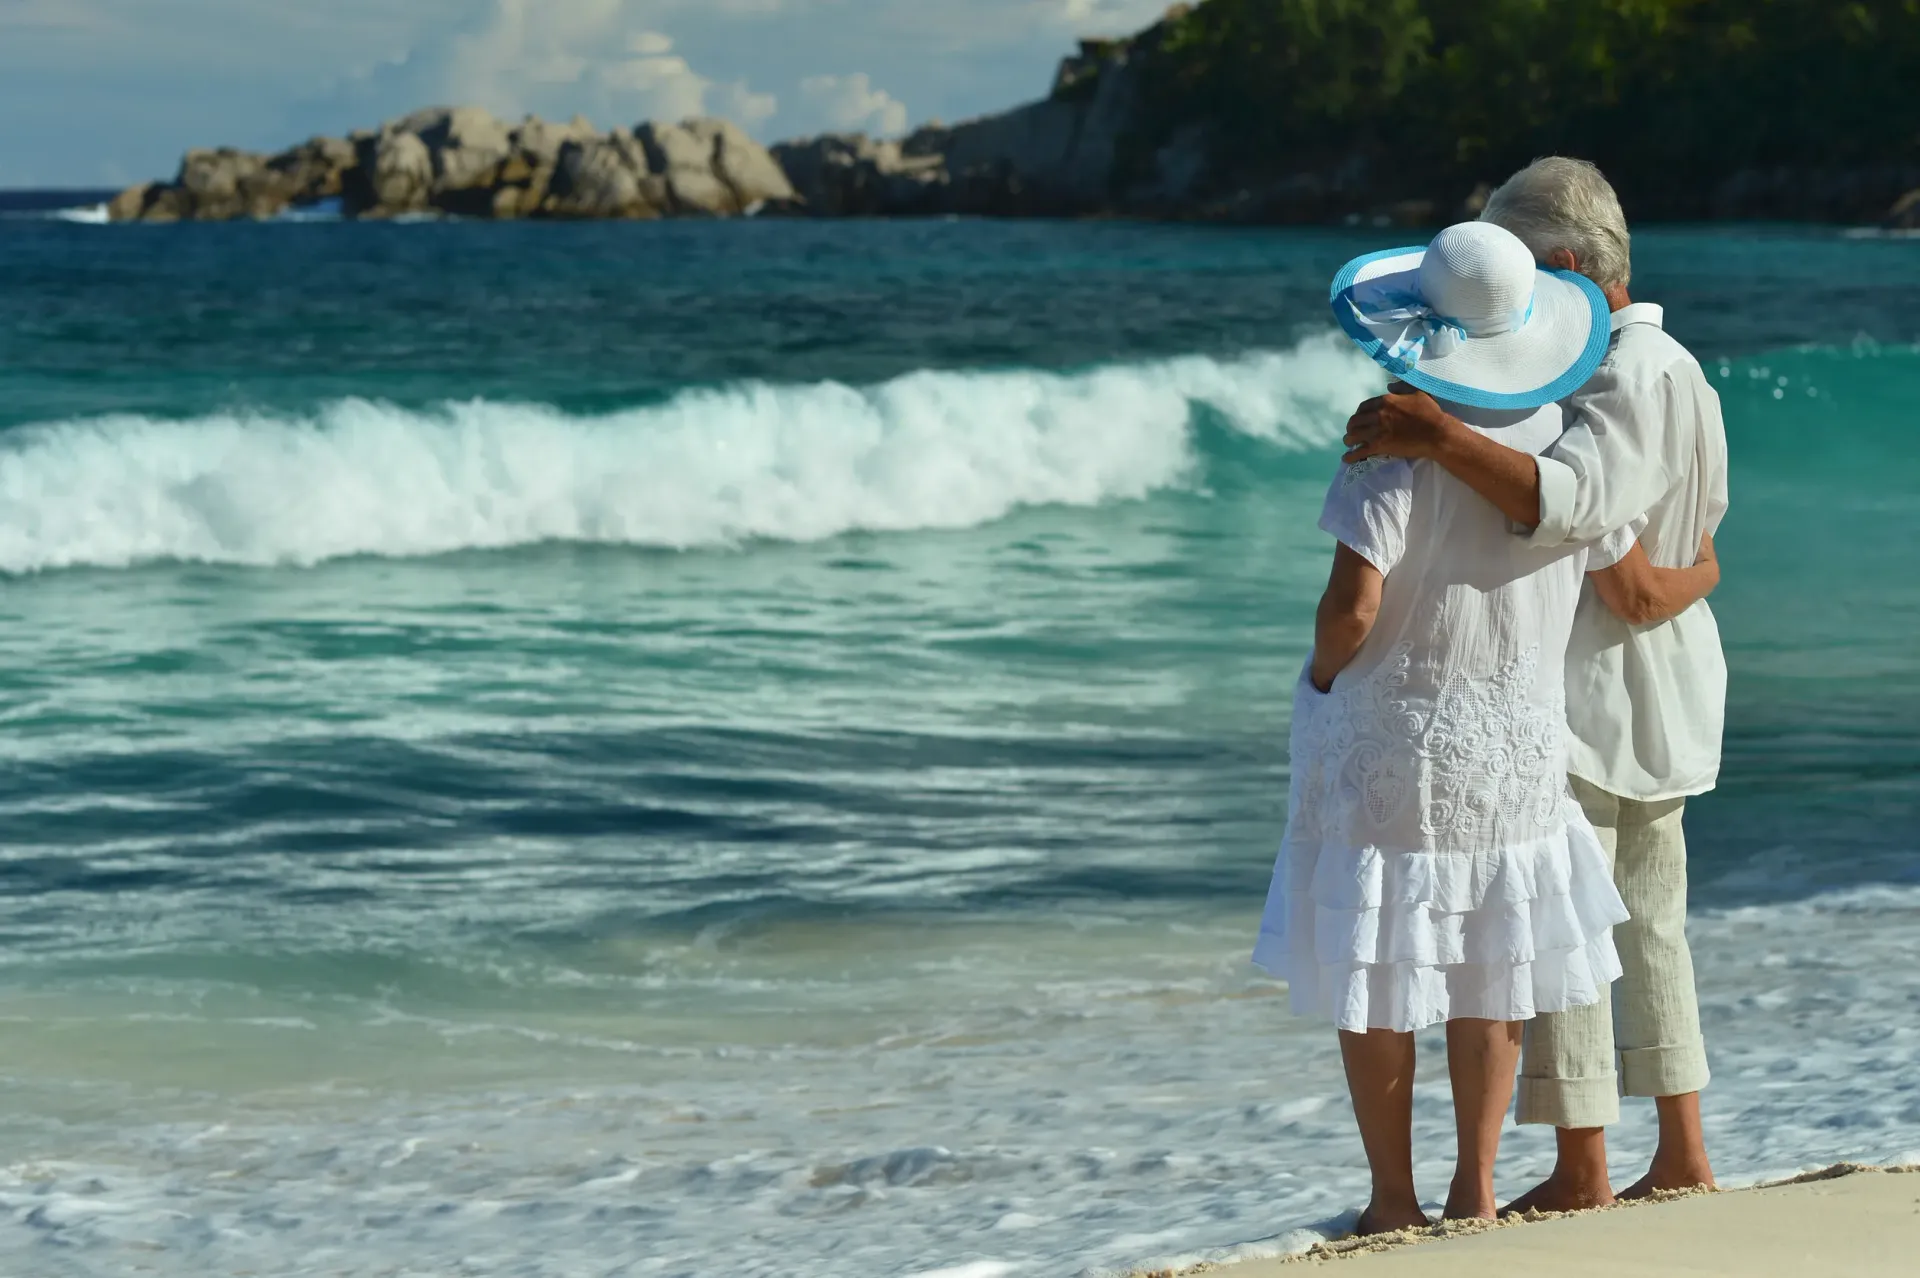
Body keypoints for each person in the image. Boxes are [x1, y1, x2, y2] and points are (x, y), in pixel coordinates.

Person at [1255, 220, 1720, 1233]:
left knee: (1376, 972)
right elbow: (1628, 577)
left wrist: (1322, 678)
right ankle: (1475, 1192)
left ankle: (1393, 1201)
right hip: (1517, 740)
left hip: (1394, 732)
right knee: (1491, 967)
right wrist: (1709, 569)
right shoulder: (1567, 441)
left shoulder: (1389, 448)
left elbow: (1354, 608)